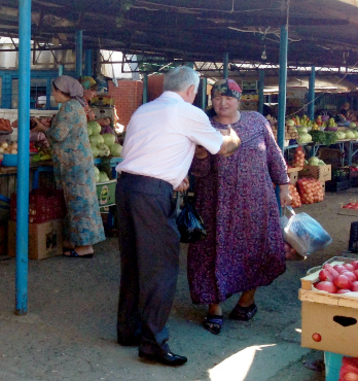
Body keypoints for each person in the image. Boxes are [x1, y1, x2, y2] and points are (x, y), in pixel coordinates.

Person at [115, 67, 241, 366]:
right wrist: (232, 133)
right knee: (160, 268)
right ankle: (153, 344)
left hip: (127, 188)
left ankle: (128, 330)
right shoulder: (189, 111)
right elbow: (223, 149)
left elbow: (157, 148)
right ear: (191, 91)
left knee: (133, 264)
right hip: (152, 194)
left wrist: (175, 173)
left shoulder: (145, 109)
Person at [187, 78, 292, 336]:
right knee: (212, 253)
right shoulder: (204, 126)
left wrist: (284, 185)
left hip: (256, 201)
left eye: (229, 98)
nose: (223, 103)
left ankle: (246, 302)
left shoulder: (257, 121)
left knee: (257, 249)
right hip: (215, 204)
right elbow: (197, 172)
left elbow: (274, 155)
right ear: (211, 100)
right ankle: (214, 307)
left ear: (239, 99)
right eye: (217, 98)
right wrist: (200, 155)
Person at [32, 75, 105, 258]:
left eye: (55, 90)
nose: (53, 93)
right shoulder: (75, 106)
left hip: (75, 166)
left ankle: (84, 247)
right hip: (76, 164)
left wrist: (41, 128)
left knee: (79, 206)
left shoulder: (69, 108)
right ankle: (76, 242)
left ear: (64, 91)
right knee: (78, 204)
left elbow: (58, 135)